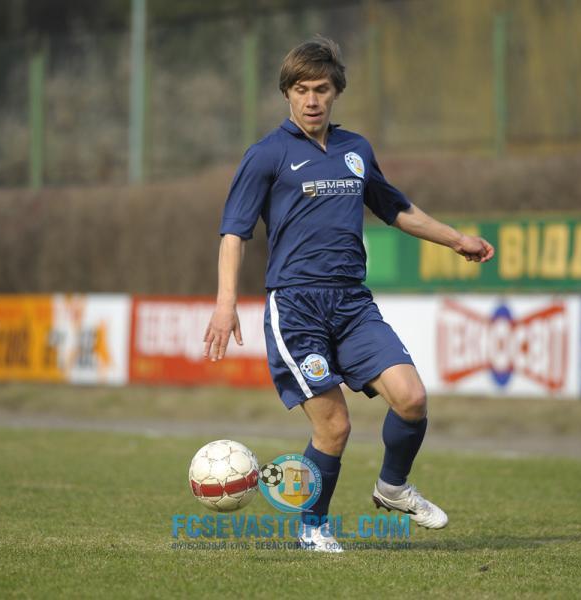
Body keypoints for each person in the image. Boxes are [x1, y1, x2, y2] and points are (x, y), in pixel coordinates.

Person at [203, 37, 494, 553]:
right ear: (287, 94)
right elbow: (234, 232)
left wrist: (456, 239)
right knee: (334, 426)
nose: (311, 99)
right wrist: (226, 303)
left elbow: (395, 208)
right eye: (301, 90)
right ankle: (312, 528)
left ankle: (393, 487)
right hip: (296, 308)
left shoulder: (355, 150)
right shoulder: (267, 155)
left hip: (352, 304)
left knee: (412, 398)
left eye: (321, 89)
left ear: (336, 91)